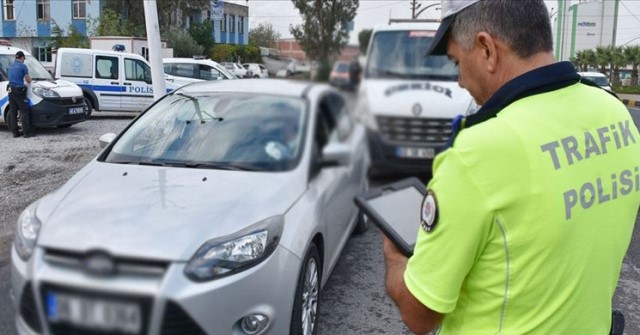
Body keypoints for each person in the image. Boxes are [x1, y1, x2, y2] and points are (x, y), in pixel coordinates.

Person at [382, 1, 640, 334]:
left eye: (457, 62)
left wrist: (394, 258)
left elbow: (420, 314)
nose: (460, 81)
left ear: (487, 48)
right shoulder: (614, 112)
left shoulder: (478, 152)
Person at [8, 51, 33, 138]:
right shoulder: (23, 66)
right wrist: (30, 79)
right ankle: (27, 133)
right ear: (22, 58)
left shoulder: (10, 66)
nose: (23, 60)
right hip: (19, 91)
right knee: (24, 111)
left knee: (13, 112)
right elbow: (28, 80)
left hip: (10, 90)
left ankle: (15, 133)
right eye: (23, 59)